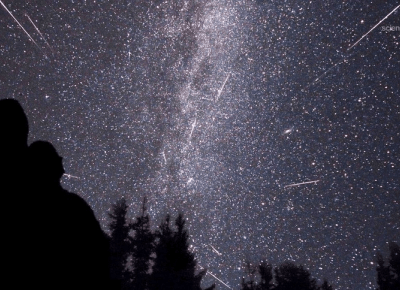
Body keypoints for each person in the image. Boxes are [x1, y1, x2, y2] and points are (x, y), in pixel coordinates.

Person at [27, 140, 111, 290]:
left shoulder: (72, 205)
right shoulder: (73, 206)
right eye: (56, 158)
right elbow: (99, 252)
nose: (61, 161)